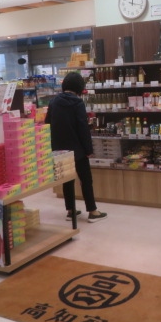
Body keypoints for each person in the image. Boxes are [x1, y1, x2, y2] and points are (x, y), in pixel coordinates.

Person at [45, 72, 107, 222]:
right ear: (79, 87)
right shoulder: (78, 103)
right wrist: (88, 150)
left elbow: (47, 124)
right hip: (78, 149)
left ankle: (71, 210)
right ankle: (92, 211)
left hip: (60, 149)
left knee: (67, 179)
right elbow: (82, 128)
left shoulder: (53, 102)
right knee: (85, 179)